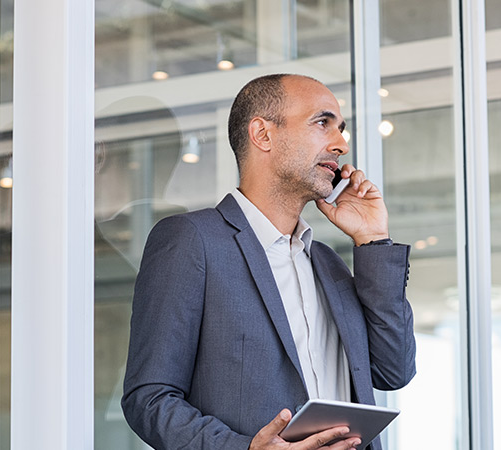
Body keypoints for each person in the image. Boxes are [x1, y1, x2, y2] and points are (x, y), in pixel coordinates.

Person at [121, 73, 417, 450]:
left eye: (341, 129)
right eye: (323, 123)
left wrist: (373, 240)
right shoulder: (193, 241)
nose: (341, 144)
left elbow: (394, 370)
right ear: (263, 134)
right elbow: (149, 399)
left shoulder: (327, 263)